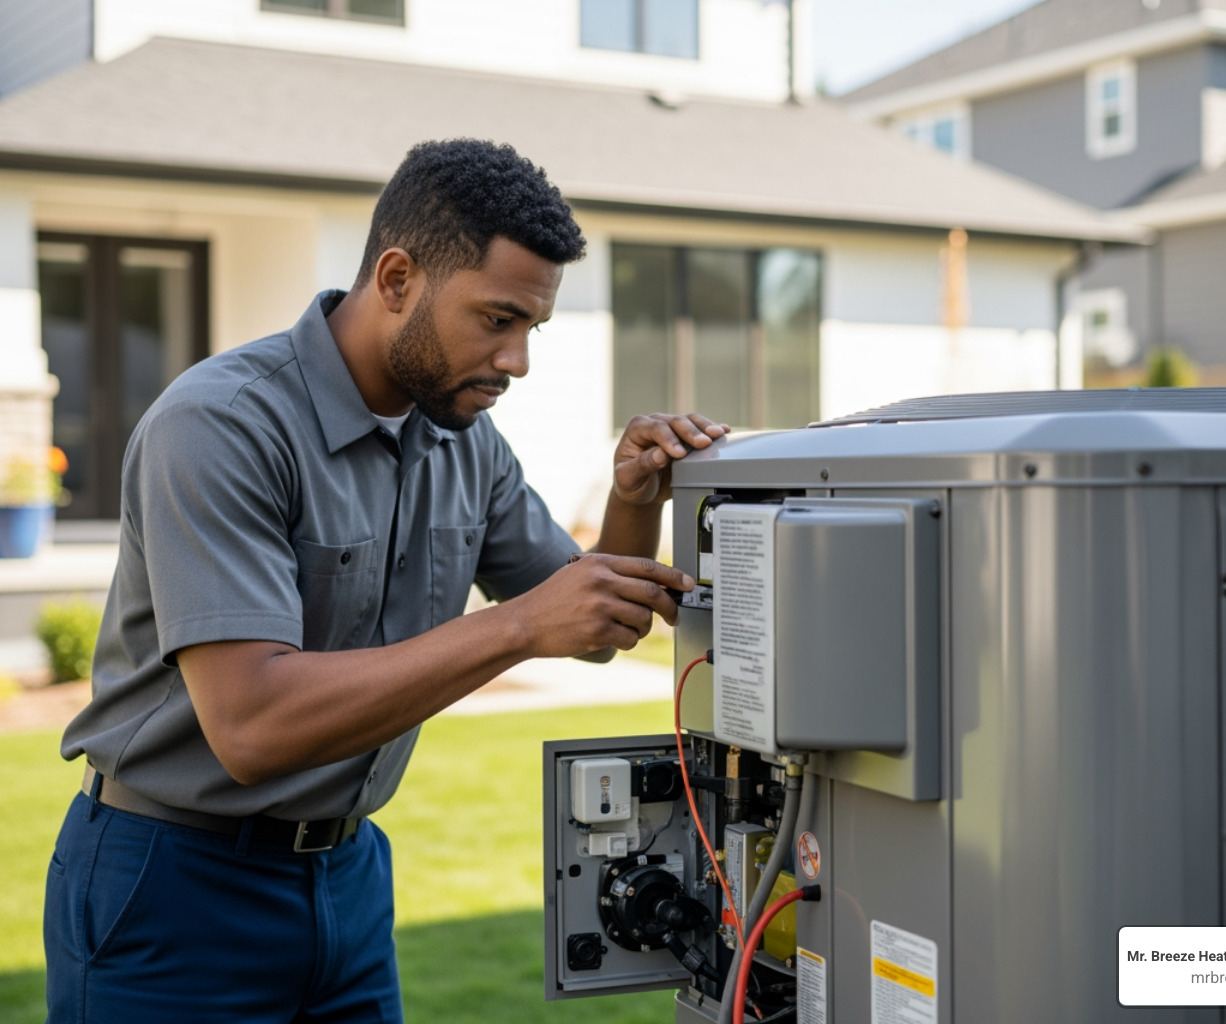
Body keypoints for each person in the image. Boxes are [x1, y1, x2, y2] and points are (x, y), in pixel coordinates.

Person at [44, 138, 727, 1023]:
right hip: (173, 882)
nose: (516, 361)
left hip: (349, 877)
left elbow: (590, 626)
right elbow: (250, 724)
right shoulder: (220, 425)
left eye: (531, 329)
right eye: (496, 319)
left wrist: (633, 501)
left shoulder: (463, 441)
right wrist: (517, 626)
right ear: (398, 279)